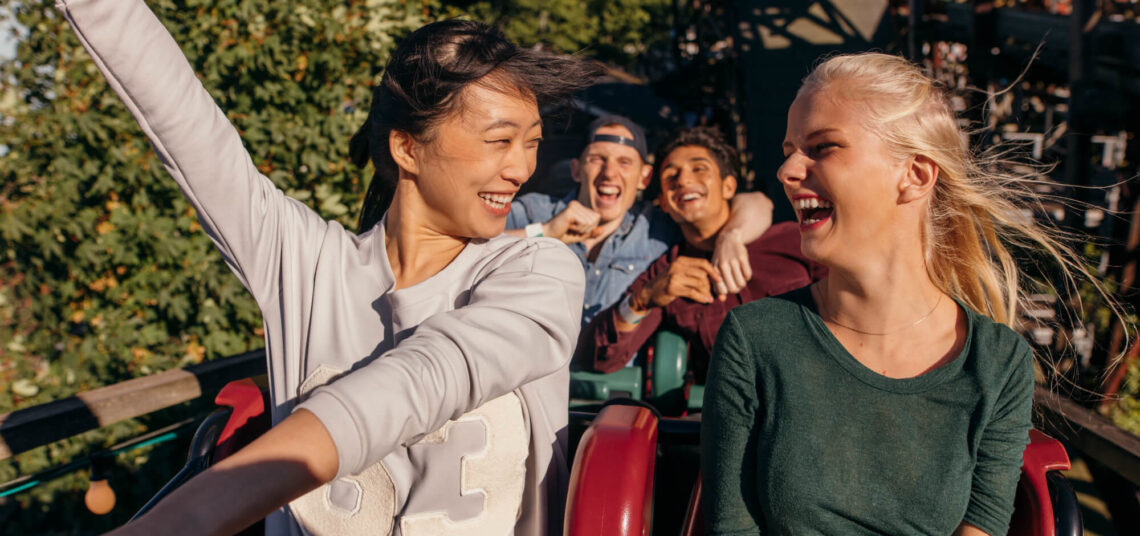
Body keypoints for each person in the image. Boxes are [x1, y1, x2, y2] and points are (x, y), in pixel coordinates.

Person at [58, 1, 599, 534]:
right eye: (500, 141)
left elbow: (431, 376)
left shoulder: (541, 273)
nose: (523, 168)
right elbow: (180, 119)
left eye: (531, 144)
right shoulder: (307, 266)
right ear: (408, 148)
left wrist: (189, 516)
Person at [701, 52, 1103, 535]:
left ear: (915, 175)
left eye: (822, 147)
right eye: (789, 149)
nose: (787, 169)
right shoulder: (756, 338)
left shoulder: (997, 363)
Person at [574, 127, 825, 383]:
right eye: (671, 174)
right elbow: (600, 359)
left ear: (728, 187)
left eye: (698, 168)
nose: (683, 180)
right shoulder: (666, 271)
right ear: (663, 201)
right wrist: (644, 299)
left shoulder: (795, 240)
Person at [504, 115, 776, 326]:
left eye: (624, 162)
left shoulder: (657, 228)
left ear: (644, 177)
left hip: (613, 389)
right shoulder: (534, 212)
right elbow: (467, 246)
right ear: (577, 169)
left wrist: (732, 235)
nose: (609, 174)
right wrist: (544, 234)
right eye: (598, 159)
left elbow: (759, 204)